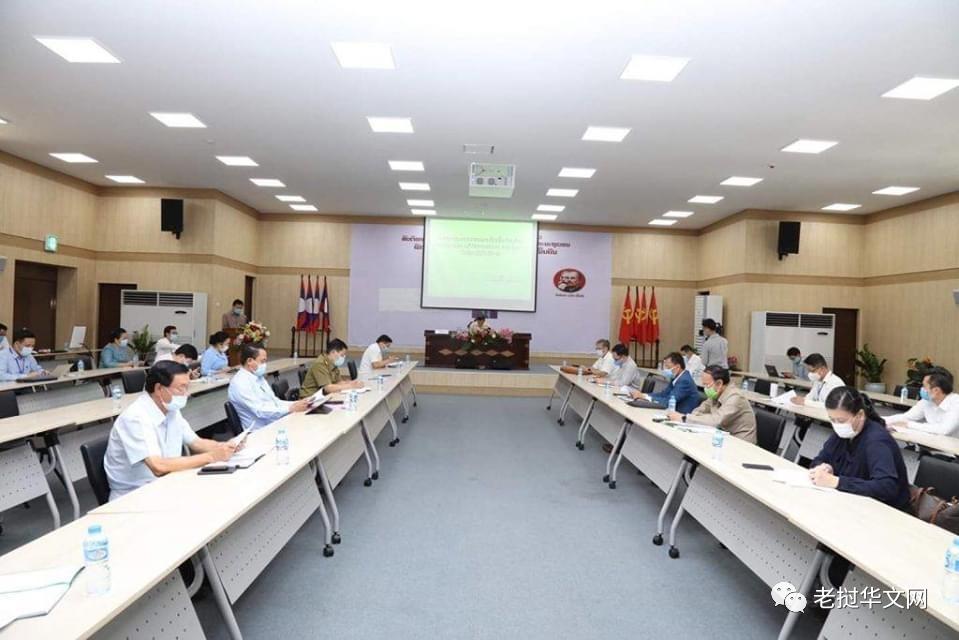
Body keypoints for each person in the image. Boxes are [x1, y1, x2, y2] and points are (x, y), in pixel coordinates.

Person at [103, 361, 238, 501]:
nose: (186, 394)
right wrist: (212, 457)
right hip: (134, 494)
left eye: (187, 387)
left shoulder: (171, 409)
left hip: (168, 483)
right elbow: (158, 466)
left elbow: (196, 442)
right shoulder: (135, 417)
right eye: (181, 388)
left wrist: (224, 446)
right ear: (159, 389)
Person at [808, 386, 910, 509]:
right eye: (832, 420)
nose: (837, 425)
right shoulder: (842, 434)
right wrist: (824, 467)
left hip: (883, 510)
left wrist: (837, 482)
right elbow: (819, 459)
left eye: (841, 420)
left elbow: (886, 487)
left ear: (860, 415)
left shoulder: (877, 441)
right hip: (851, 502)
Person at [227, 344, 310, 431]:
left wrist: (297, 404)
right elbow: (260, 411)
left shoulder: (258, 377)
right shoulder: (240, 383)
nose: (265, 365)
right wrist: (290, 408)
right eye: (262, 361)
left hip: (273, 422)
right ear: (249, 361)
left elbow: (275, 402)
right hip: (259, 431)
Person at [669, 365, 757, 443]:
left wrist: (685, 418)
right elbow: (699, 410)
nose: (705, 388)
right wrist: (692, 418)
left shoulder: (735, 397)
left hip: (741, 442)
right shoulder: (716, 393)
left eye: (706, 385)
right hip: (723, 436)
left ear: (719, 383)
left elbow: (715, 421)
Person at [884, 367, 959, 437]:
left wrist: (909, 425)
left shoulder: (956, 402)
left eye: (924, 386)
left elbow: (944, 430)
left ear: (936, 390)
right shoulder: (927, 401)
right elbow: (906, 417)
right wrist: (880, 420)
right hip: (932, 442)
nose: (921, 389)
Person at [632, 352, 700, 414]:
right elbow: (663, 394)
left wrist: (645, 397)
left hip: (682, 416)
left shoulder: (684, 380)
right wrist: (643, 395)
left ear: (678, 367)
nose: (666, 370)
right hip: (672, 412)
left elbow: (669, 401)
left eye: (668, 367)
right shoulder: (675, 377)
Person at [300, 338, 365, 397]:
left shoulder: (333, 363)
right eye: (342, 355)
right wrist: (351, 386)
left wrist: (351, 383)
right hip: (310, 399)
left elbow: (338, 382)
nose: (343, 358)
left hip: (323, 397)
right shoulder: (320, 364)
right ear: (333, 352)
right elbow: (328, 388)